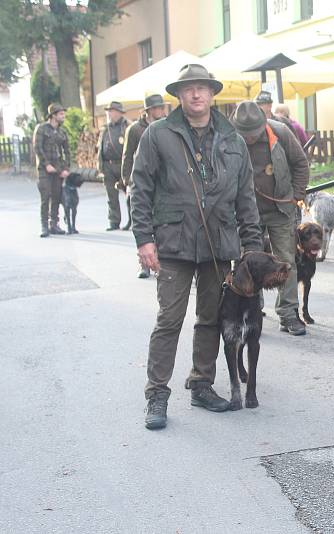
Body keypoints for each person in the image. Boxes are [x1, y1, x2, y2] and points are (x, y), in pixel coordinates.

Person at [130, 64, 262, 430]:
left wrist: (251, 251)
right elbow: (139, 187)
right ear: (179, 94)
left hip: (219, 243)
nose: (196, 94)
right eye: (189, 89)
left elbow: (246, 199)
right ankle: (157, 393)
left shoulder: (233, 138)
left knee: (211, 318)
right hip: (172, 241)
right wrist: (144, 238)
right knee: (169, 319)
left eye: (202, 88)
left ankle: (201, 383)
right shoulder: (158, 135)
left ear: (212, 93)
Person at [231, 101, 310, 336]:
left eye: (253, 134)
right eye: (245, 135)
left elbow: (300, 164)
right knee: (247, 263)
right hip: (246, 213)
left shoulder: (281, 133)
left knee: (286, 260)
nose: (250, 139)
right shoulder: (228, 139)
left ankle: (288, 314)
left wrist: (297, 195)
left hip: (280, 209)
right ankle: (251, 311)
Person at [122, 94, 167, 278]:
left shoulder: (166, 126)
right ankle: (144, 265)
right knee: (142, 223)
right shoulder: (135, 129)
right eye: (157, 108)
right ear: (149, 110)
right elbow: (127, 156)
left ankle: (160, 262)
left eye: (162, 107)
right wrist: (126, 182)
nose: (161, 111)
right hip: (142, 180)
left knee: (161, 225)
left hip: (162, 182)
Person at [33, 103, 69, 238]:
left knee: (56, 195)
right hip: (44, 169)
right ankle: (44, 225)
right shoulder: (41, 129)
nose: (63, 116)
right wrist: (46, 164)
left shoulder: (62, 132)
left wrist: (65, 168)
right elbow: (38, 148)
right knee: (45, 196)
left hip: (58, 168)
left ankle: (54, 223)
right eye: (60, 114)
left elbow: (67, 151)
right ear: (53, 116)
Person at [97, 101, 130, 231]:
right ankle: (114, 221)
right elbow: (100, 148)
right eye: (109, 111)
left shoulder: (127, 126)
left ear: (118, 112)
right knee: (111, 196)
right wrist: (100, 166)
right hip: (108, 165)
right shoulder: (106, 128)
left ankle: (132, 221)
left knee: (129, 195)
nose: (109, 114)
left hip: (123, 164)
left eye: (111, 111)